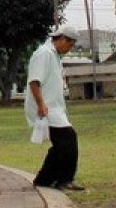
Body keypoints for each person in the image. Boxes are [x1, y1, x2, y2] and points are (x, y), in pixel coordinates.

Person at [25, 26, 85, 191]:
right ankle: (64, 179)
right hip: (46, 107)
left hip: (54, 107)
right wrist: (41, 104)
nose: (69, 49)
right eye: (70, 45)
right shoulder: (43, 54)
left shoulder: (54, 55)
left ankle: (45, 179)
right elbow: (34, 81)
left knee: (61, 144)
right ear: (63, 39)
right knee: (68, 138)